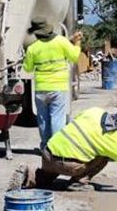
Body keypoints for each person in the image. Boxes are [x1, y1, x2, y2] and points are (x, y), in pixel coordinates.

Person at [12, 107, 117, 201]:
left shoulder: (95, 111)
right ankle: (78, 182)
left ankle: (29, 176)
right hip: (68, 165)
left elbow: (76, 118)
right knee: (104, 156)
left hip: (48, 152)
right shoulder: (114, 141)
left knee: (47, 178)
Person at [23, 21, 82, 149]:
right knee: (57, 118)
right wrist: (77, 44)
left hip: (41, 89)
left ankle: (45, 147)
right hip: (58, 88)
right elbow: (74, 57)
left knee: (43, 120)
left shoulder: (33, 48)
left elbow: (27, 68)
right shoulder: (61, 41)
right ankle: (56, 148)